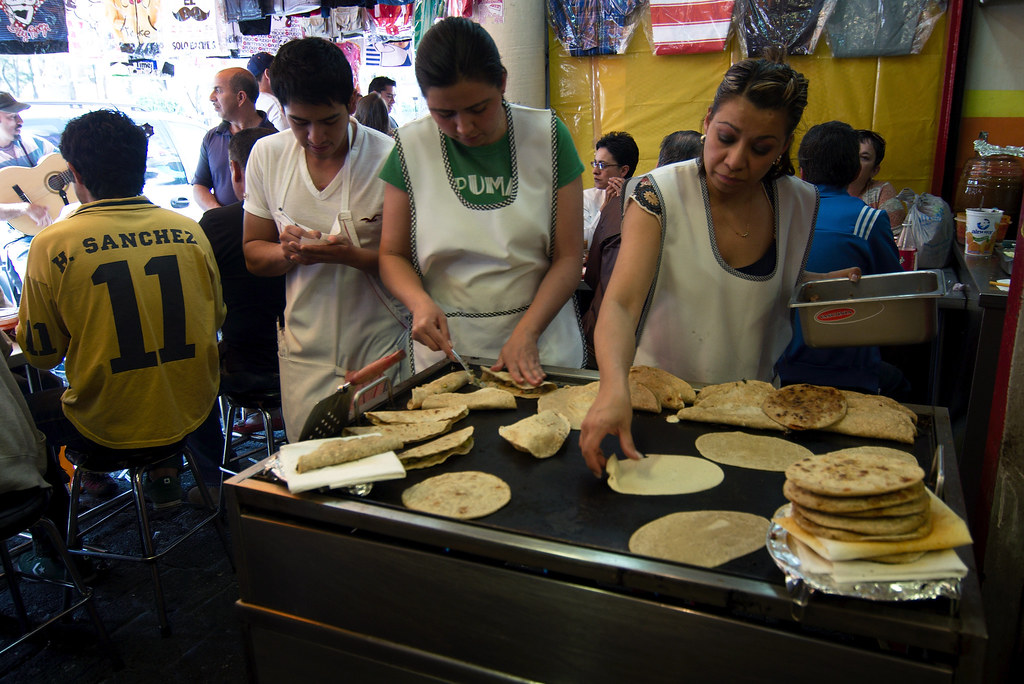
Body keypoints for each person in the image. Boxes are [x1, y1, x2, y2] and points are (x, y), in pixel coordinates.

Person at [579, 57, 860, 477]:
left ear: (783, 146)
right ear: (708, 121)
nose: (735, 160)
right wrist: (613, 386)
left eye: (761, 148)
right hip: (660, 410)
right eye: (725, 137)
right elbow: (620, 304)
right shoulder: (662, 195)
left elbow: (768, 287)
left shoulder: (798, 203)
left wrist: (824, 283)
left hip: (756, 412)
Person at [16, 109, 225, 507]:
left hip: (108, 427)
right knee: (163, 377)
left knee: (26, 414)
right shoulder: (188, 230)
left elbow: (42, 355)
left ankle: (56, 546)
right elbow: (213, 320)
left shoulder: (52, 243)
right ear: (142, 165)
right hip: (190, 411)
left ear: (75, 173)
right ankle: (166, 476)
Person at [378, 17, 586, 384]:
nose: (464, 127)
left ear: (502, 82)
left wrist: (528, 332)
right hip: (448, 349)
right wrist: (419, 302)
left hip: (542, 340)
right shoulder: (409, 149)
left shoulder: (548, 137)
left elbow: (568, 257)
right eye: (444, 114)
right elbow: (392, 255)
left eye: (478, 109)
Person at [243, 37, 410, 443]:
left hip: (379, 342)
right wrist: (290, 253)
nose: (315, 136)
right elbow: (253, 252)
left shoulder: (389, 156)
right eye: (299, 122)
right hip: (306, 350)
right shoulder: (267, 155)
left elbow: (409, 260)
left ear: (352, 103)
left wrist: (350, 256)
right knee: (312, 470)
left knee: (386, 464)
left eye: (329, 121)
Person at [778, 121, 906, 395]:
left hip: (778, 366)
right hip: (849, 372)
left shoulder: (779, 215)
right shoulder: (869, 220)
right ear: (854, 171)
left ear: (801, 171)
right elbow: (894, 290)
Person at [199, 127, 284, 389]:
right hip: (312, 359)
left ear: (235, 169)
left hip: (246, 366)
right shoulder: (306, 220)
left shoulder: (216, 225)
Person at [193, 68, 277, 211]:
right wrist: (220, 214)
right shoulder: (212, 138)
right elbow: (200, 185)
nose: (212, 97)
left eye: (218, 90)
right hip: (222, 228)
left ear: (240, 97)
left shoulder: (274, 138)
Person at [0, 92, 57, 232]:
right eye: (13, 117)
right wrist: (25, 208)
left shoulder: (35, 144)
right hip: (15, 237)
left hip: (54, 225)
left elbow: (67, 165)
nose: (20, 121)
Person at [583, 131, 638, 250]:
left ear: (623, 171)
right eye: (595, 164)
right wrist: (605, 209)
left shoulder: (640, 198)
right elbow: (584, 242)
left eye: (602, 165)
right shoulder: (587, 197)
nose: (595, 171)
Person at [848, 129, 907, 229]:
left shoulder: (881, 192)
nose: (854, 161)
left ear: (874, 170)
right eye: (850, 154)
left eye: (864, 157)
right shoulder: (822, 190)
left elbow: (895, 240)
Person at [247, 51, 287, 132]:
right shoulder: (274, 105)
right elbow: (287, 141)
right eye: (279, 71)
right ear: (268, 74)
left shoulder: (249, 102)